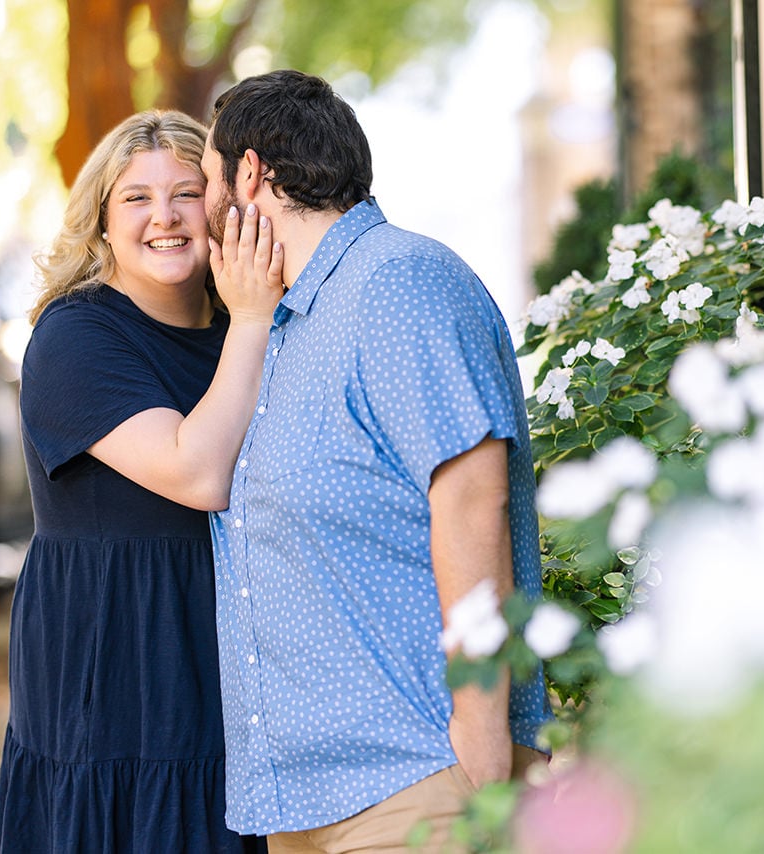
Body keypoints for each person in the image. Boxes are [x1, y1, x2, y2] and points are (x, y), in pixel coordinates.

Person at [201, 69, 552, 852]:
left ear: (250, 173)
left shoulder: (396, 283)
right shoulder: (283, 323)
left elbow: (472, 502)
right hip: (304, 800)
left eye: (207, 181)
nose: (204, 210)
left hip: (418, 776)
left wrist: (483, 735)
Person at [0, 109, 284, 852]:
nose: (165, 216)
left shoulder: (242, 327)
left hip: (230, 640)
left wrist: (250, 318)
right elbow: (198, 472)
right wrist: (254, 318)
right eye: (136, 197)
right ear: (100, 219)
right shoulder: (75, 336)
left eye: (187, 192)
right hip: (115, 647)